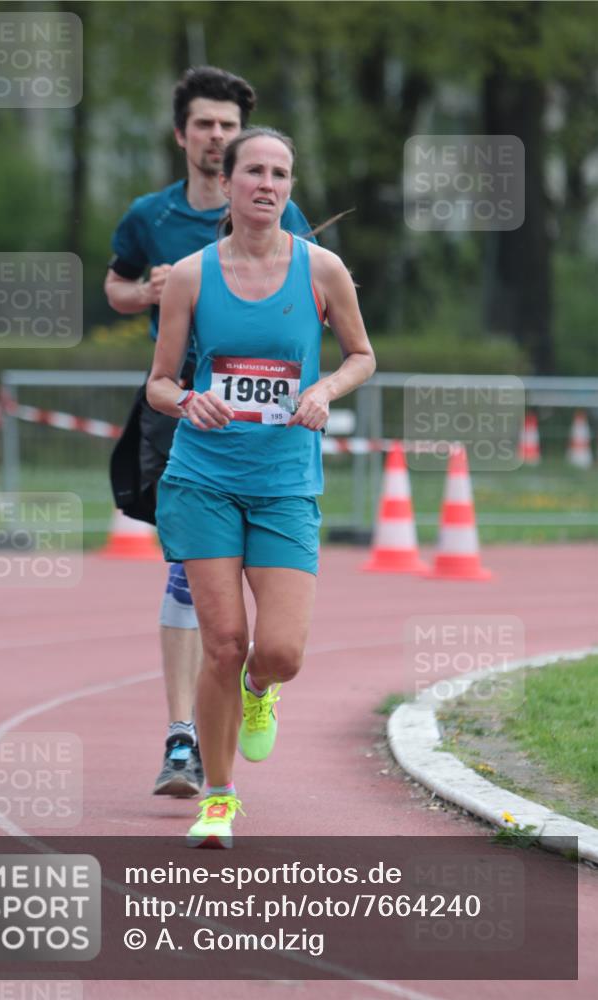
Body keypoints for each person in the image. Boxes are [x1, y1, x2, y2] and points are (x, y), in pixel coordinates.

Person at [147, 127, 376, 847]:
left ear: (289, 185)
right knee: (222, 640)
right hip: (203, 478)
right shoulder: (189, 274)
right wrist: (188, 399)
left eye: (279, 172)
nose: (266, 184)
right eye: (254, 171)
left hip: (283, 481)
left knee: (278, 651)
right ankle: (219, 796)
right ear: (228, 181)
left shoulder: (322, 270)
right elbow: (157, 382)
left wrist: (327, 390)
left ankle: (259, 692)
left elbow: (362, 356)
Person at [104, 68, 314, 799]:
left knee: (241, 615)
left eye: (229, 125)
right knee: (186, 577)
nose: (218, 136)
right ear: (184, 136)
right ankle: (181, 736)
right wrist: (149, 293)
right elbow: (116, 288)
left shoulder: (279, 211)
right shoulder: (151, 216)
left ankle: (227, 706)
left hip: (268, 441)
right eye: (206, 125)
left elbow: (307, 307)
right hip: (183, 413)